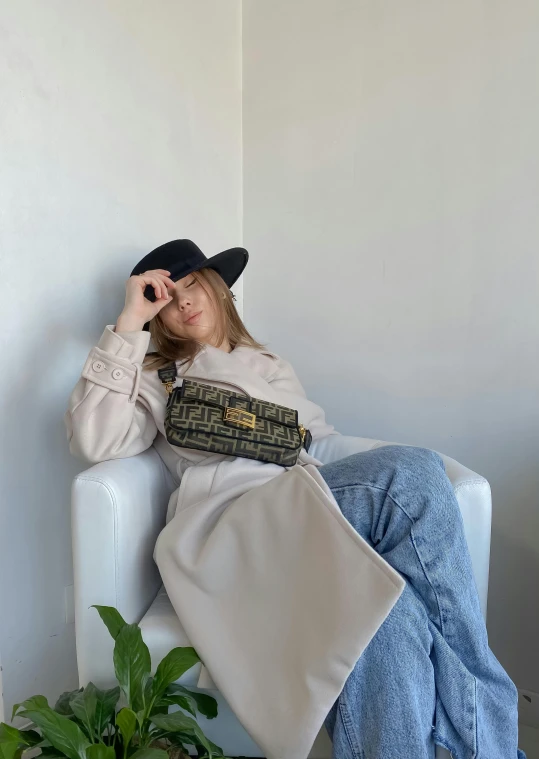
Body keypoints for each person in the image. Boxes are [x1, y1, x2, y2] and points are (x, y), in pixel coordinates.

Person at [64, 240, 524, 759]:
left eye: (192, 287)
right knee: (415, 470)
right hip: (229, 527)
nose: (183, 303)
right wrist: (129, 323)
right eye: (165, 298)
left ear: (218, 289)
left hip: (300, 504)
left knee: (388, 614)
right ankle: (491, 746)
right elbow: (93, 442)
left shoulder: (268, 363)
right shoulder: (153, 374)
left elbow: (317, 442)